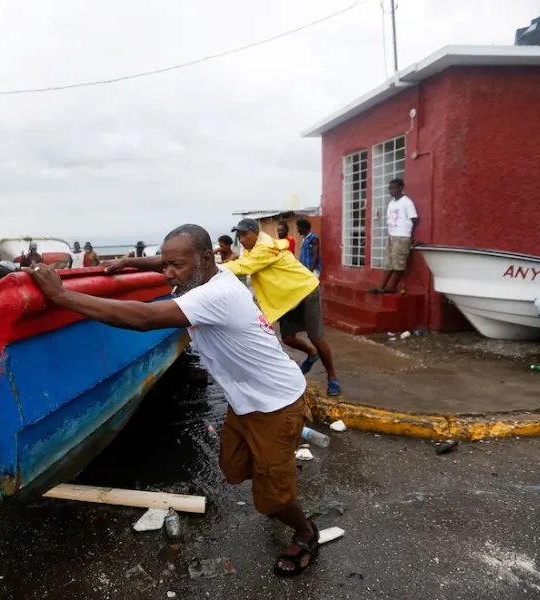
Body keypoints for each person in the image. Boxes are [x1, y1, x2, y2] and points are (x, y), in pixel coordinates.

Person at [23, 224, 322, 578]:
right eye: (166, 265)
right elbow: (166, 263)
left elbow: (144, 318)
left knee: (273, 498)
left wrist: (62, 296)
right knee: (232, 468)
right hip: (246, 401)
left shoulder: (215, 295)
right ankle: (275, 477)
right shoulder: (216, 274)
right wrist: (128, 263)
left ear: (206, 259)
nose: (168, 274)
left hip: (276, 404)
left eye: (176, 266)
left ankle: (305, 532)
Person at [226, 219, 341, 397]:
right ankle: (312, 354)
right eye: (239, 236)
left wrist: (212, 267)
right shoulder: (253, 250)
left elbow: (243, 267)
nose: (241, 240)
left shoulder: (265, 248)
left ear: (256, 232)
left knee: (316, 337)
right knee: (287, 337)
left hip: (305, 289)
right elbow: (243, 262)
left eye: (244, 235)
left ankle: (332, 378)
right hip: (289, 296)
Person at [371, 178, 419, 294]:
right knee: (388, 262)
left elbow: (415, 219)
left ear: (401, 188)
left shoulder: (407, 202)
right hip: (392, 236)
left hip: (402, 237)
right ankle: (381, 286)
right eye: (390, 188)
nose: (391, 190)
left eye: (394, 188)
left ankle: (391, 287)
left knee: (399, 264)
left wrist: (408, 233)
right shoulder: (391, 203)